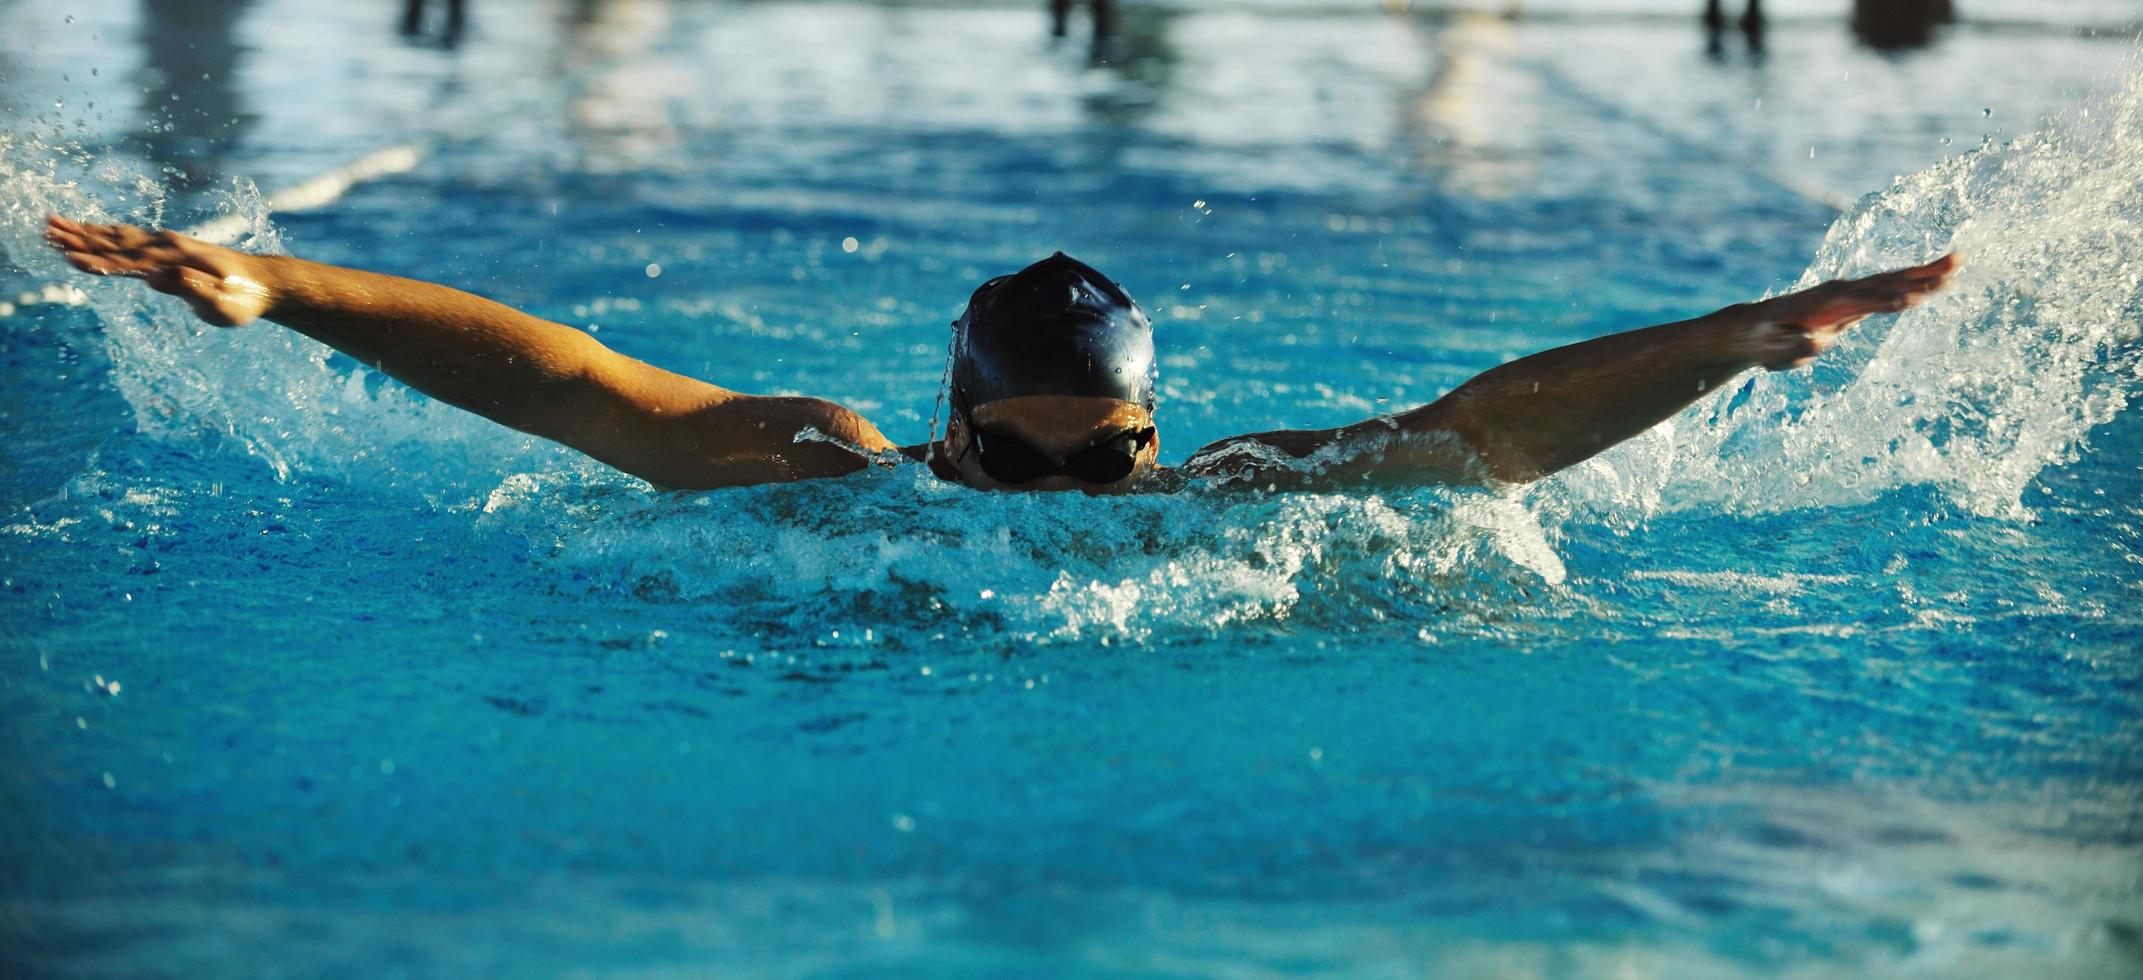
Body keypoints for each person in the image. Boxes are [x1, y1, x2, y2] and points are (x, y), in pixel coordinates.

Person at [41, 215, 1957, 494]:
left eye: (1098, 460)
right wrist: (284, 287)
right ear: (956, 435)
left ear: (1155, 430)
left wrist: (1735, 336)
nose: (1062, 507)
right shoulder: (835, 477)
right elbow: (572, 382)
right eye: (1022, 463)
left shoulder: (1224, 500)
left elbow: (1482, 434)